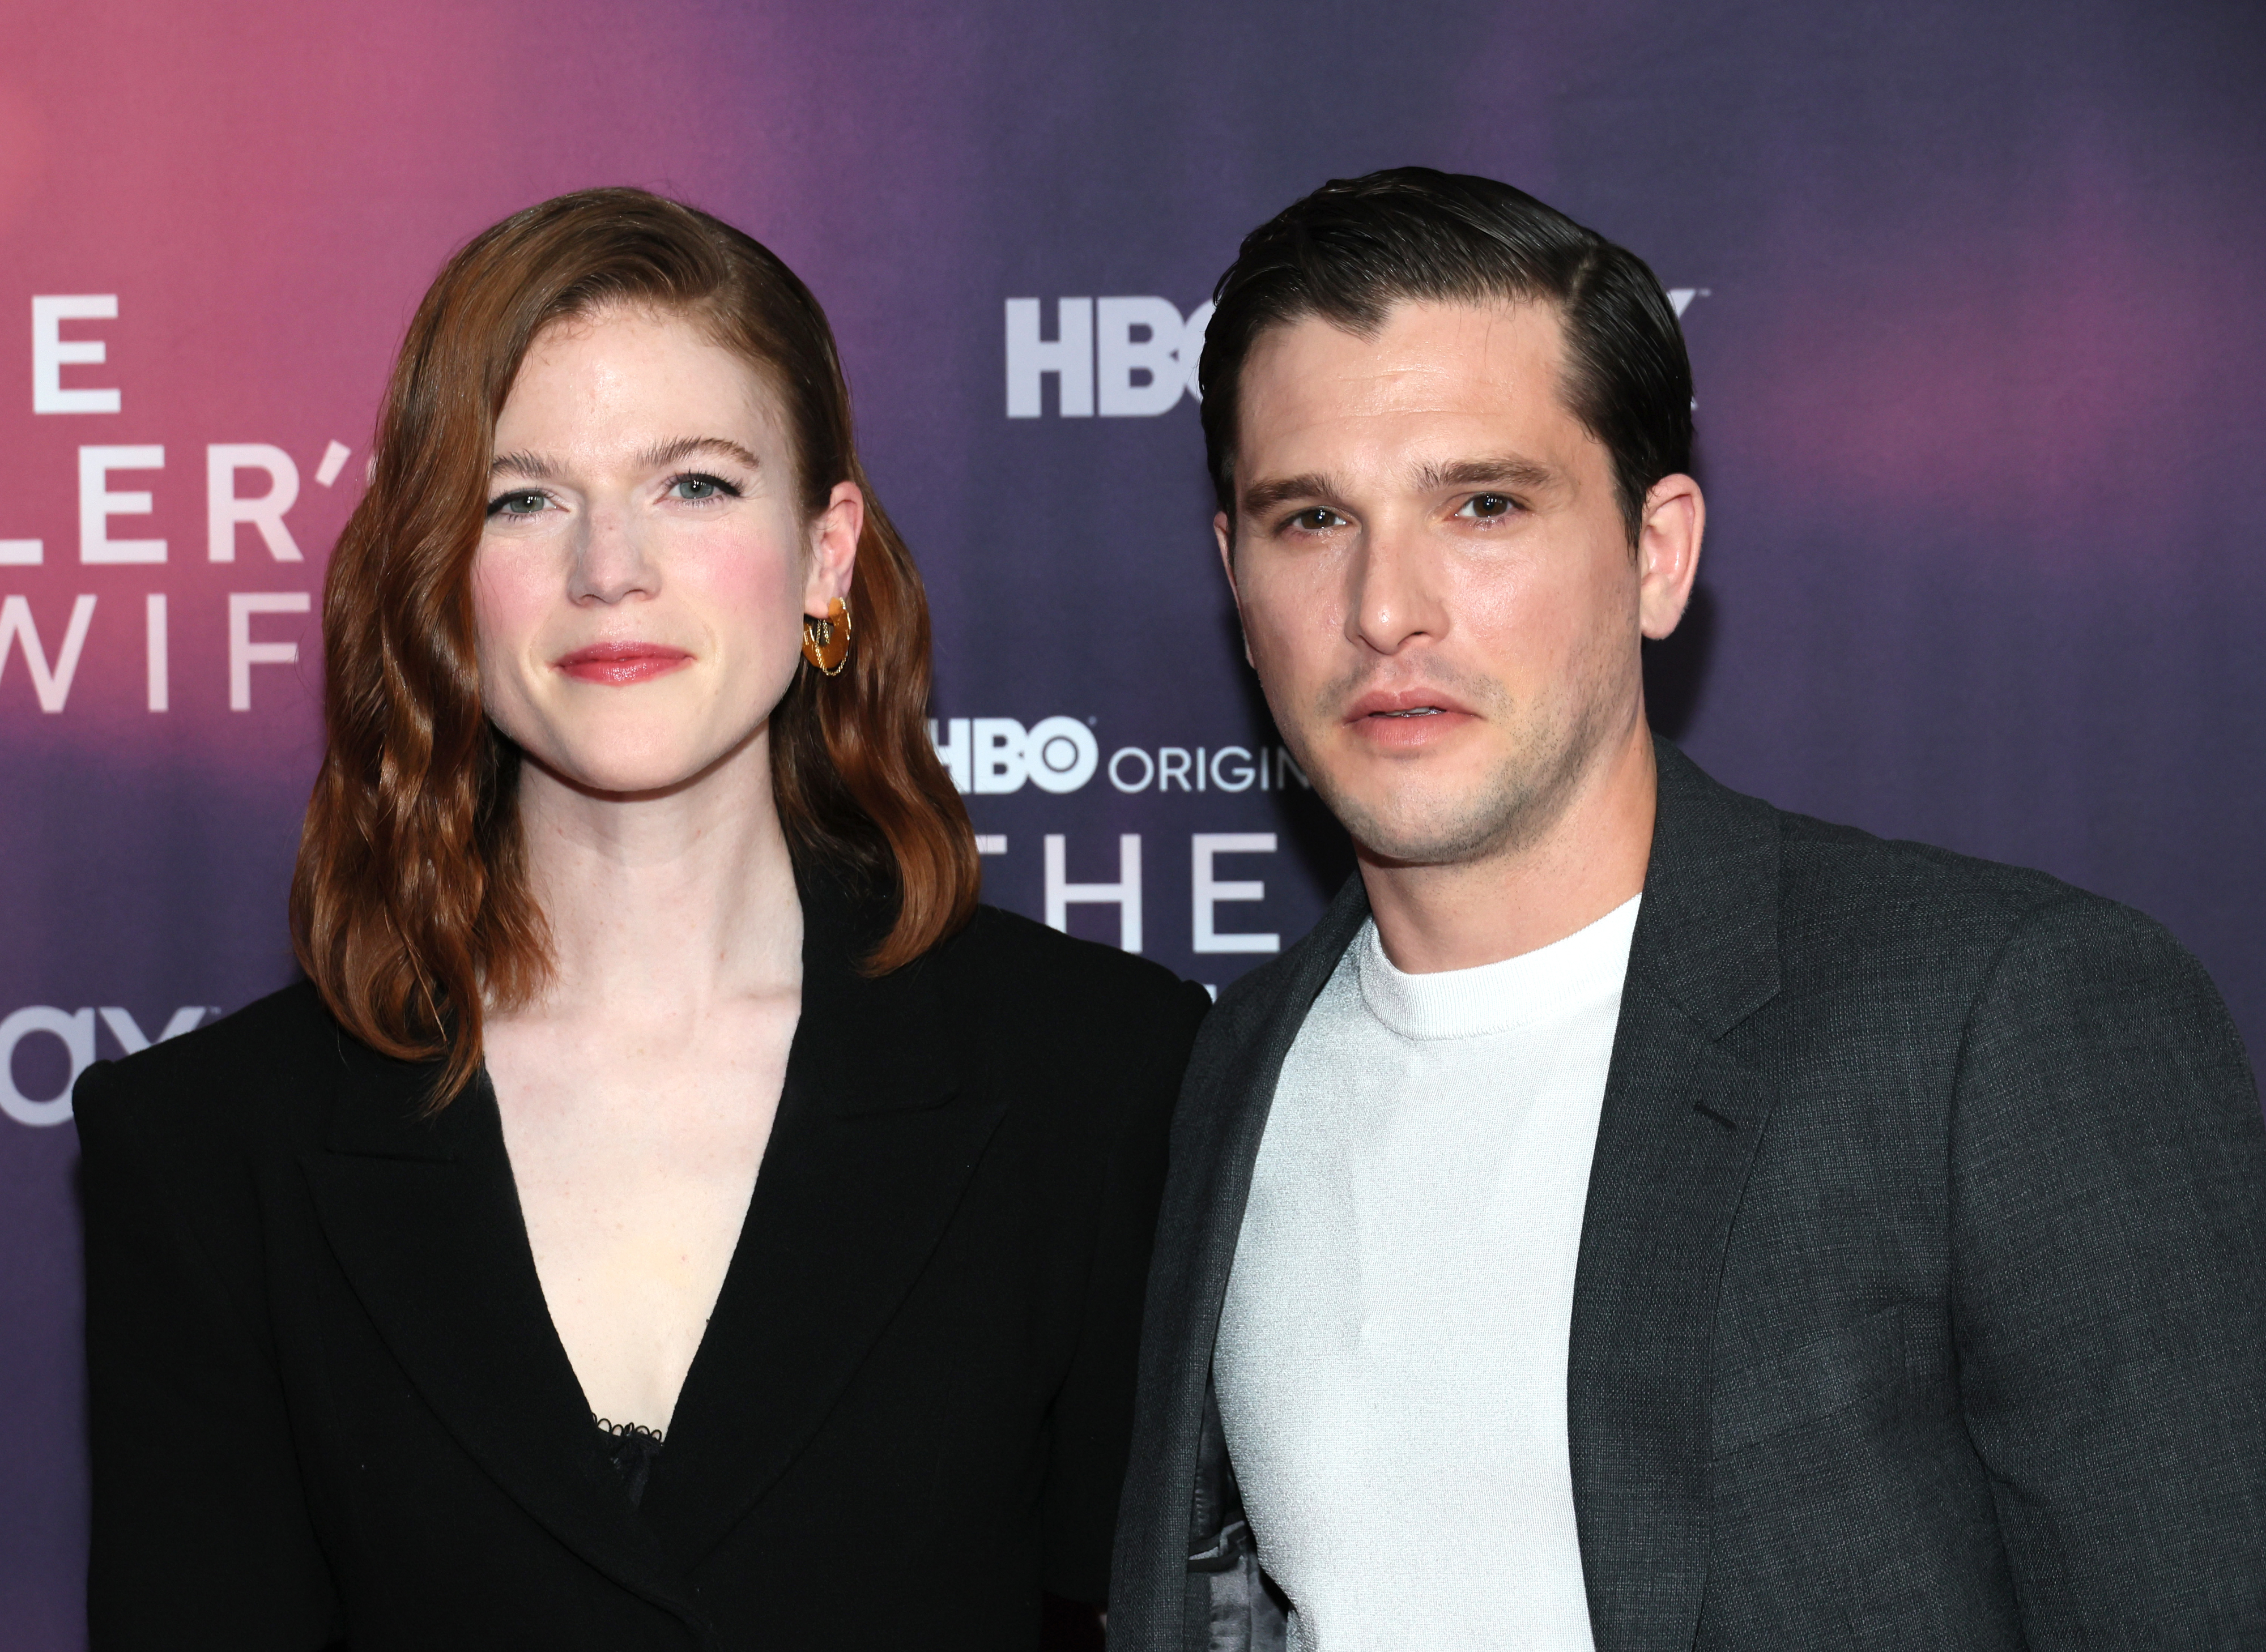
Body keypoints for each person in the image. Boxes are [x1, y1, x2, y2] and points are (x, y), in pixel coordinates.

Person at [1108, 167, 2266, 1651]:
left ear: (1657, 554)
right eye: (1312, 517)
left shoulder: (1997, 1021)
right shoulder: (1236, 1067)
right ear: (1235, 575)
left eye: (1483, 503)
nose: (1386, 606)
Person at [76, 187, 1208, 1651]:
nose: (609, 567)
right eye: (523, 496)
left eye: (695, 485)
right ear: (439, 582)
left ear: (825, 554)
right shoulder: (210, 1147)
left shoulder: (1095, 1078)